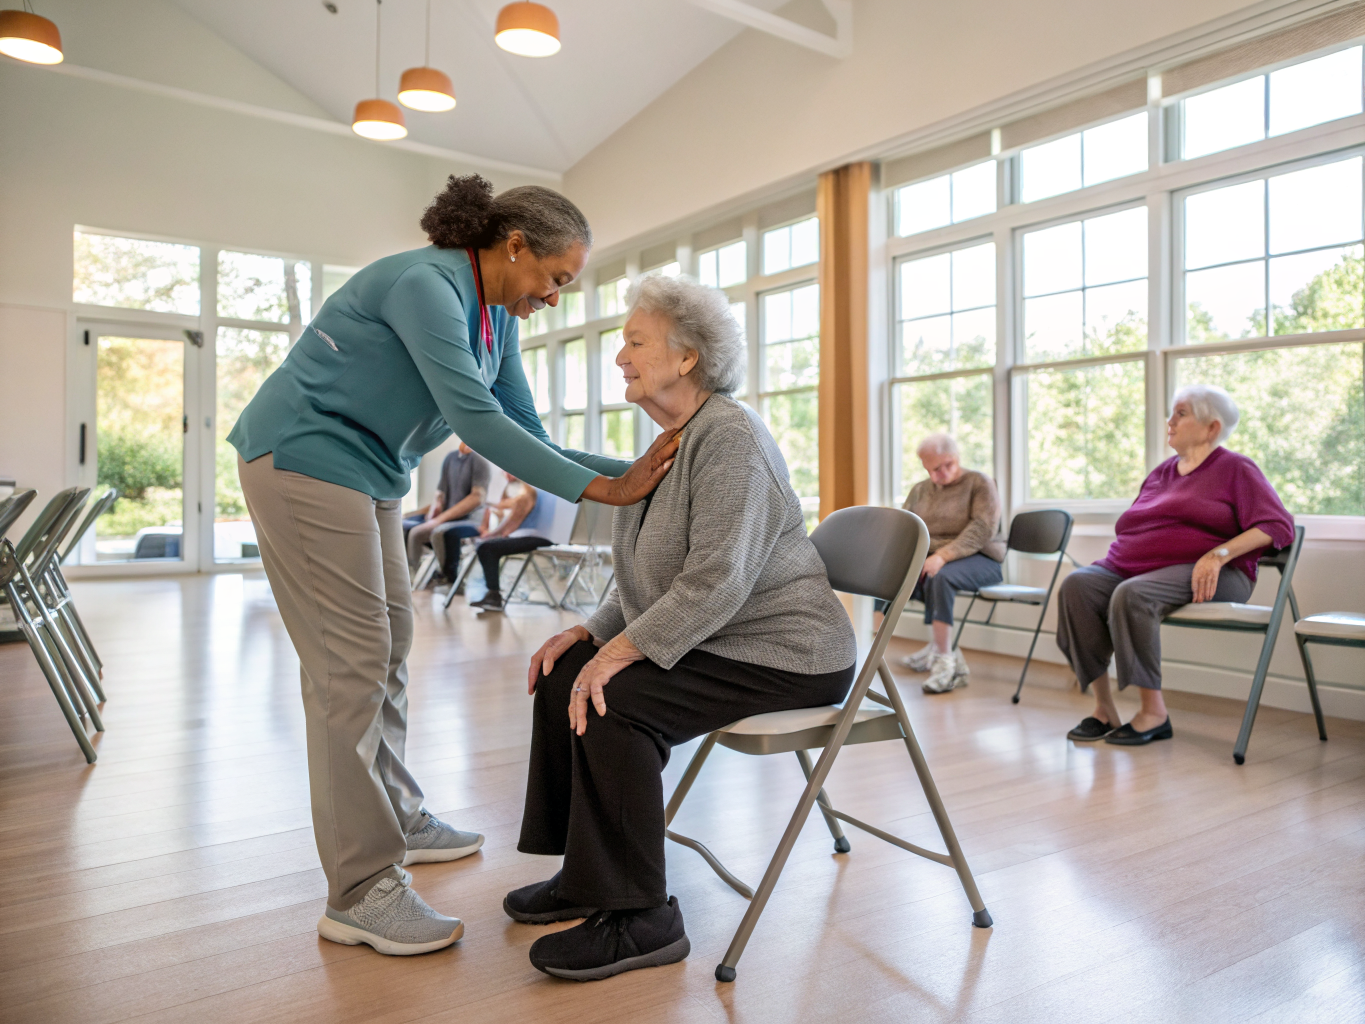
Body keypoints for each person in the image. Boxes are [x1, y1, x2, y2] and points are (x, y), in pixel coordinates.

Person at [228, 175, 680, 957]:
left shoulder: (494, 320)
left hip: (369, 470)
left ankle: (396, 813)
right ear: (513, 246)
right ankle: (360, 889)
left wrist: (642, 466)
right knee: (350, 664)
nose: (556, 297)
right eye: (557, 278)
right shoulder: (424, 284)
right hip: (302, 457)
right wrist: (610, 485)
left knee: (390, 643)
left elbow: (524, 429)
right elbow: (473, 420)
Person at [504, 274, 857, 982]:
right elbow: (645, 577)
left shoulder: (729, 439)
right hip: (717, 635)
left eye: (634, 342)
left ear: (686, 356)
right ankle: (586, 873)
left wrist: (624, 652)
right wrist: (592, 633)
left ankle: (641, 917)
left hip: (786, 650)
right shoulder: (669, 440)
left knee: (616, 703)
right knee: (563, 674)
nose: (620, 357)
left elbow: (715, 579)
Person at [1057, 384, 1294, 746]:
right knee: (1077, 586)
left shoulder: (1236, 469)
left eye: (1180, 414)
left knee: (1132, 594)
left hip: (1214, 575)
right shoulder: (1162, 472)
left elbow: (1278, 526)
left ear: (1212, 427)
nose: (1170, 422)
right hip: (1131, 566)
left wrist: (1219, 554)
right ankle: (1103, 709)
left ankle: (1154, 713)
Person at [895, 434, 1005, 694]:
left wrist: (943, 556)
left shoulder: (979, 483)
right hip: (932, 558)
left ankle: (944, 659)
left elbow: (982, 529)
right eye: (929, 470)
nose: (935, 476)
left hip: (980, 557)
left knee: (940, 577)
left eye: (940, 468)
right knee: (894, 576)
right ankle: (937, 648)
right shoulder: (921, 489)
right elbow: (905, 525)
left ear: (953, 459)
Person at [467, 475, 562, 612]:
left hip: (534, 536)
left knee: (486, 548)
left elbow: (513, 521)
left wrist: (494, 534)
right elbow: (507, 508)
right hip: (537, 535)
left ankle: (494, 596)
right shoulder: (531, 491)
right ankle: (493, 594)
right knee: (487, 547)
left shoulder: (528, 493)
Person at [402, 440, 491, 578]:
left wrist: (439, 520)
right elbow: (440, 495)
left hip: (470, 520)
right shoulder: (450, 458)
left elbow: (477, 498)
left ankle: (416, 577)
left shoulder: (479, 461)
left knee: (417, 532)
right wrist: (426, 513)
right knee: (403, 524)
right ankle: (410, 571)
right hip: (446, 516)